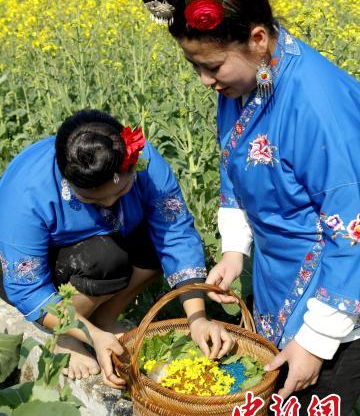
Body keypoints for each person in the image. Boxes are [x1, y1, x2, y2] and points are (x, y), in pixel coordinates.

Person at [139, 0, 360, 416]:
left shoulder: (319, 106)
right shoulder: (244, 81)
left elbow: (352, 232)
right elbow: (235, 166)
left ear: (257, 39)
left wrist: (316, 341)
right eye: (194, 66)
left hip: (336, 297)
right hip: (278, 284)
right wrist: (235, 250)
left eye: (211, 66)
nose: (205, 81)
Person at [0, 109, 234, 388]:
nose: (111, 203)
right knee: (104, 258)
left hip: (107, 243)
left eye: (122, 192)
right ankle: (66, 335)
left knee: (153, 241)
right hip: (37, 268)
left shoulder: (144, 160)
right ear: (68, 182)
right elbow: (27, 287)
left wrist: (197, 318)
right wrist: (89, 335)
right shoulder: (27, 193)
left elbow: (175, 233)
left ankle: (105, 319)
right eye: (93, 200)